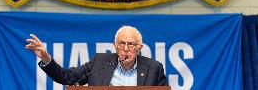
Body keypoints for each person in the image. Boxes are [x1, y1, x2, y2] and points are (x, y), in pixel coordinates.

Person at [25, 25, 168, 86]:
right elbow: (66, 77)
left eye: (130, 44)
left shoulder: (154, 68)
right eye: (121, 44)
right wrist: (46, 58)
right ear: (115, 46)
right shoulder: (100, 62)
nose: (125, 49)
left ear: (139, 48)